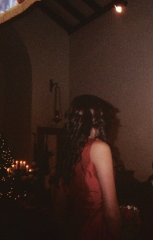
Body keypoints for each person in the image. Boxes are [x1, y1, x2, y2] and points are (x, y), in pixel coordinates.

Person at [53, 95, 122, 240]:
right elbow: (111, 213)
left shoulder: (67, 151)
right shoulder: (99, 148)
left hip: (73, 230)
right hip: (96, 231)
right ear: (99, 119)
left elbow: (59, 208)